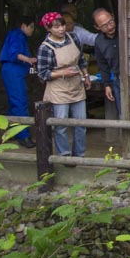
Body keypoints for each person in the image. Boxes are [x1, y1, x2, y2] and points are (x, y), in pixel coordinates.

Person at [36, 11, 90, 158]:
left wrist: (86, 76)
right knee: (60, 125)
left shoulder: (73, 38)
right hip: (58, 90)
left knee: (81, 123)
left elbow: (81, 60)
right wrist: (62, 73)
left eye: (62, 25)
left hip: (77, 86)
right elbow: (42, 73)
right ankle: (64, 154)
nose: (61, 29)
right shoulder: (45, 48)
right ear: (48, 29)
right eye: (56, 27)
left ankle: (80, 154)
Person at [0, 15, 37, 148]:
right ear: (23, 26)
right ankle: (23, 136)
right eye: (31, 26)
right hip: (13, 71)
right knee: (20, 102)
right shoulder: (18, 35)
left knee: (15, 102)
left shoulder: (19, 36)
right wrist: (30, 60)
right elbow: (14, 53)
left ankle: (11, 131)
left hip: (14, 71)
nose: (32, 29)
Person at [92, 7, 121, 118]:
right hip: (118, 80)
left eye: (110, 22)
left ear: (113, 16)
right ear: (97, 27)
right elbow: (102, 65)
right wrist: (107, 85)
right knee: (122, 113)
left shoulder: (124, 30)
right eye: (104, 26)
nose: (110, 27)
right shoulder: (99, 41)